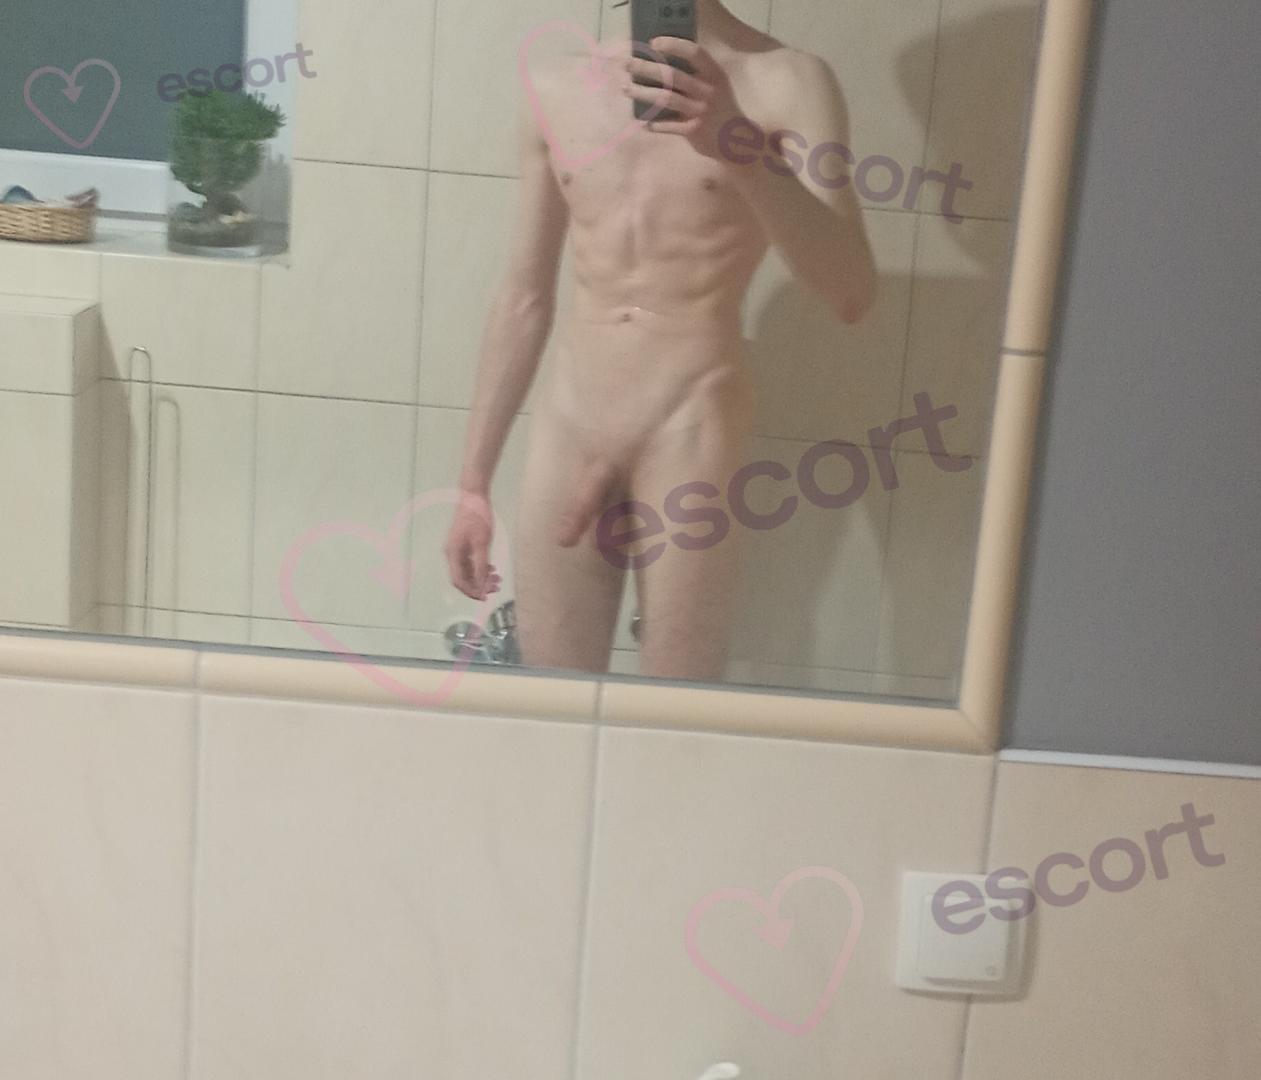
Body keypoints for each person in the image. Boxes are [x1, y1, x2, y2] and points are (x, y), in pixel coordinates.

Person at [443, 0, 877, 680]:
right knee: (552, 706)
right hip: (570, 423)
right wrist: (473, 486)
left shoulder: (788, 82)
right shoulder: (555, 85)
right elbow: (524, 297)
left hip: (691, 426)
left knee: (676, 713)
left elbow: (850, 291)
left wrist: (736, 143)